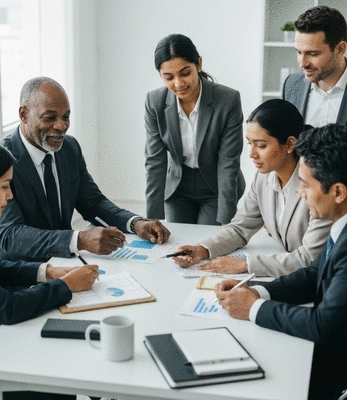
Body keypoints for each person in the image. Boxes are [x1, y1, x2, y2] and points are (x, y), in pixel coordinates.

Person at [0, 135, 100, 400]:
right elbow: (6, 308)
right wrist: (65, 286)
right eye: (5, 186)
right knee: (57, 385)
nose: (10, 195)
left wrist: (46, 272)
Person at [214, 123, 347, 400]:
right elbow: (313, 274)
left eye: (307, 186)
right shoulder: (340, 226)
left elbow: (324, 325)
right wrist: (258, 291)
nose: (300, 193)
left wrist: (254, 309)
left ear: (337, 192)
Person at [0, 77, 171, 262]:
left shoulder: (69, 148)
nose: (61, 126)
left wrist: (135, 223)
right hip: (15, 272)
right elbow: (10, 235)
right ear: (23, 114)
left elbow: (92, 203)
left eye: (66, 117)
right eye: (50, 117)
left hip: (62, 261)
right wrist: (79, 239)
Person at [173, 99, 331, 277]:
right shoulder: (263, 178)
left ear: (289, 144)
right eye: (250, 143)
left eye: (261, 145)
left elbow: (310, 258)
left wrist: (245, 264)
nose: (251, 154)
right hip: (293, 275)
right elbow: (240, 228)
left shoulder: (317, 187)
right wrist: (202, 249)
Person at [144, 33, 245, 225]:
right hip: (177, 187)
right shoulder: (154, 102)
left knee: (205, 245)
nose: (178, 84)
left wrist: (225, 219)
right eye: (168, 77)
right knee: (178, 243)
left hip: (216, 187)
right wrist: (152, 217)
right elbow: (154, 160)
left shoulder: (228, 100)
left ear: (198, 64)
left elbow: (228, 162)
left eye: (185, 73)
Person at [282, 5, 347, 126]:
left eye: (313, 54)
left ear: (340, 49)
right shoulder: (291, 85)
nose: (302, 64)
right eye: (298, 52)